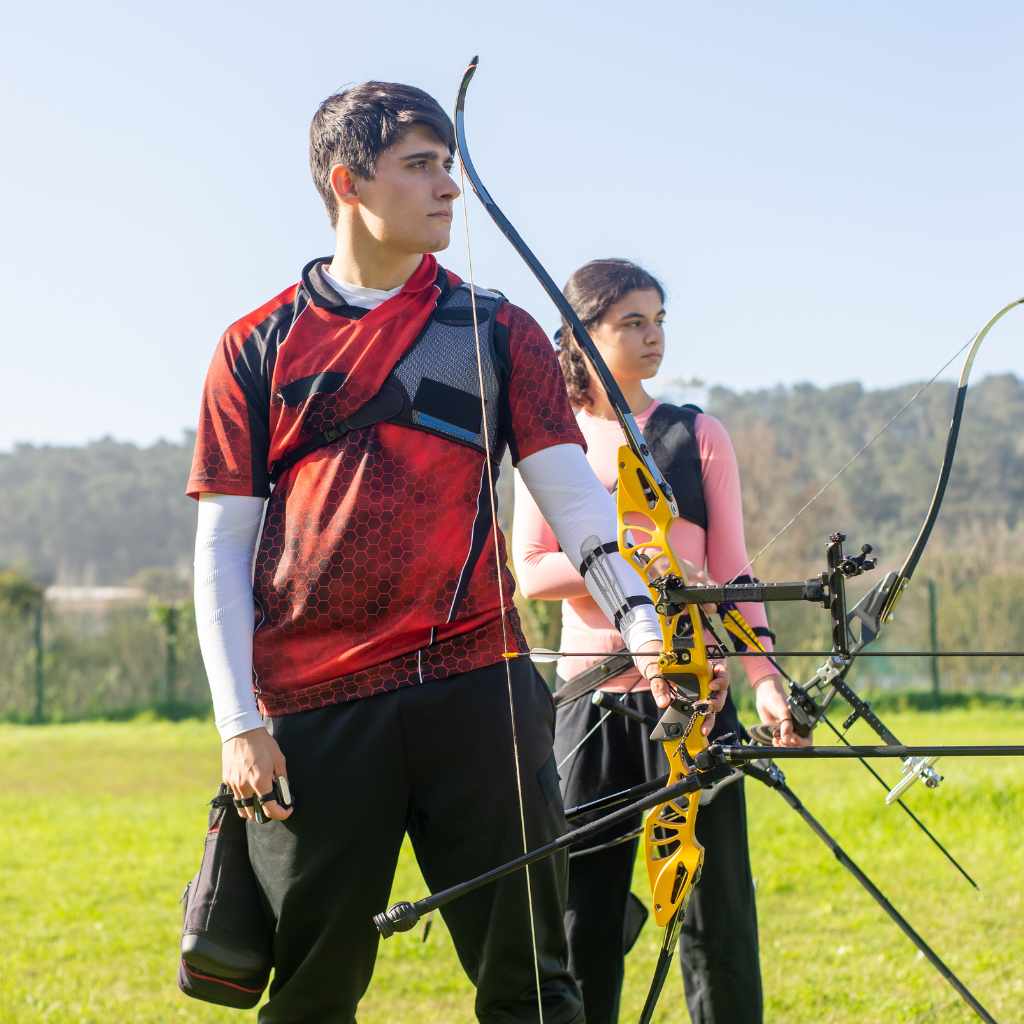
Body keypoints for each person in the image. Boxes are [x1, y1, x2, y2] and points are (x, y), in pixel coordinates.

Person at [185, 84, 723, 1024]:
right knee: (309, 992)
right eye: (422, 165)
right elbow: (221, 550)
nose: (450, 187)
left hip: (479, 687)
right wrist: (240, 722)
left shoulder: (498, 331)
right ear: (350, 182)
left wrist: (645, 626)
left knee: (535, 987)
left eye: (450, 163)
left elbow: (578, 507)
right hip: (314, 708)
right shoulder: (258, 345)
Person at [512, 258, 810, 1024]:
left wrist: (765, 678)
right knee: (584, 907)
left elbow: (733, 571)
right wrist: (627, 567)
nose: (653, 337)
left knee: (716, 912)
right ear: (584, 336)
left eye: (660, 320)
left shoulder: (695, 433)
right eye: (631, 323)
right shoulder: (552, 443)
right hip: (594, 703)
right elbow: (532, 571)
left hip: (696, 700)